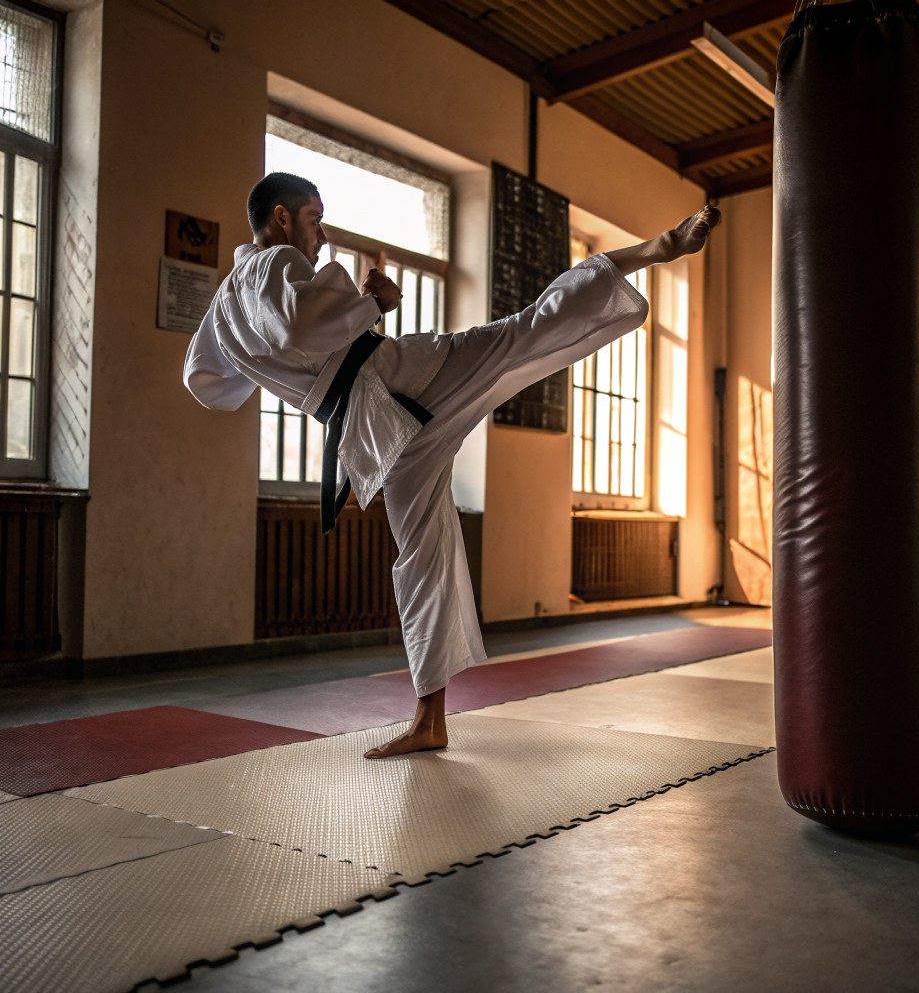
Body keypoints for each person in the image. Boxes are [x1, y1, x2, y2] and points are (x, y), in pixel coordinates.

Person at [184, 172, 721, 758]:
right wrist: (374, 303)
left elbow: (207, 380)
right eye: (315, 219)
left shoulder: (225, 306)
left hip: (376, 430)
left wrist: (286, 363)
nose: (321, 234)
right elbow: (301, 325)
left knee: (422, 555)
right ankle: (658, 248)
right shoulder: (272, 262)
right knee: (521, 332)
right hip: (404, 382)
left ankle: (429, 719)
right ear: (282, 218)